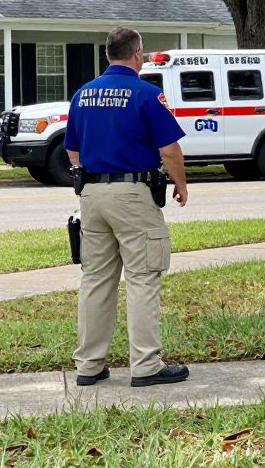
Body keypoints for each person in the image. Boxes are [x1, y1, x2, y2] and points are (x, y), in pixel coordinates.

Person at [64, 27, 190, 388]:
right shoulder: (147, 94)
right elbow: (169, 149)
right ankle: (146, 365)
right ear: (137, 54)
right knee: (142, 277)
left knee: (95, 280)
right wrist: (180, 185)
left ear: (108, 55)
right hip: (133, 194)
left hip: (92, 195)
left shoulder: (83, 95)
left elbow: (72, 150)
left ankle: (89, 365)